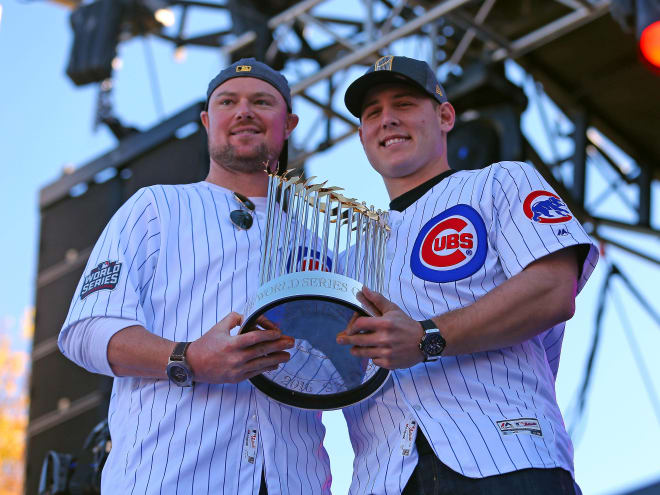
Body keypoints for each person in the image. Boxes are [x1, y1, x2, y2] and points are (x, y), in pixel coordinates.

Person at [58, 58, 332, 495]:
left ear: (289, 123)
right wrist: (188, 358)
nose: (244, 111)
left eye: (262, 101)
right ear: (208, 121)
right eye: (228, 101)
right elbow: (86, 330)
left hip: (294, 479)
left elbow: (342, 370)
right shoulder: (155, 208)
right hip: (171, 477)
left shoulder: (320, 248)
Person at [337, 55, 599, 494]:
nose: (387, 120)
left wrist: (425, 338)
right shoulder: (347, 259)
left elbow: (553, 290)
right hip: (383, 478)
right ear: (362, 135)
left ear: (445, 116)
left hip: (506, 455)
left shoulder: (500, 182)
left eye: (403, 104)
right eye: (372, 113)